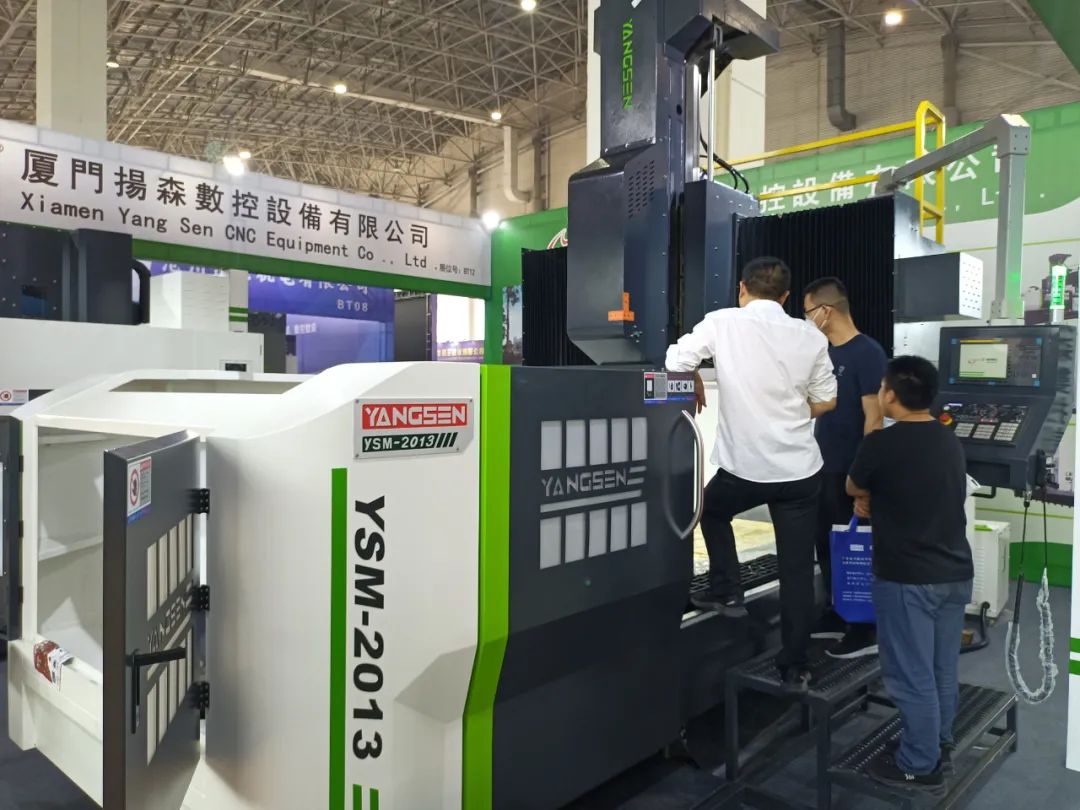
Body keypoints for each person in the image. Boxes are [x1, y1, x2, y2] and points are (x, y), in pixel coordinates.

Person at [667, 257, 837, 693]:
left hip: (746, 468)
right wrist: (789, 414)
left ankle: (727, 590)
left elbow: (676, 358)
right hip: (800, 471)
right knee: (797, 569)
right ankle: (795, 666)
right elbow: (827, 400)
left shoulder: (723, 322)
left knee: (709, 510)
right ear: (786, 296)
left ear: (742, 289)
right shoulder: (810, 335)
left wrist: (693, 376)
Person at [846, 356, 973, 793]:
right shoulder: (948, 440)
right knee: (941, 667)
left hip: (907, 579)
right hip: (954, 573)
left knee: (909, 673)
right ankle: (938, 743)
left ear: (890, 395)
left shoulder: (881, 443)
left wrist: (867, 497)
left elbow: (853, 485)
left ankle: (919, 764)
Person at [803, 277, 886, 659]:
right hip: (823, 466)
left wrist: (863, 480)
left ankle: (864, 627)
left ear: (826, 311)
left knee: (857, 550)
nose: (806, 320)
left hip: (851, 471)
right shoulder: (824, 353)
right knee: (827, 543)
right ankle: (836, 612)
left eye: (808, 313)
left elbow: (874, 419)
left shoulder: (867, 353)